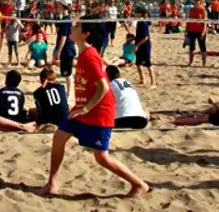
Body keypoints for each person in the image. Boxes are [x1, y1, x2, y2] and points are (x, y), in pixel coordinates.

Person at [37, 15, 150, 198]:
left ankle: (139, 185)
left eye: (77, 25)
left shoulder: (90, 55)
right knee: (58, 138)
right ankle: (52, 183)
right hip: (81, 110)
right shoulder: (83, 53)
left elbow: (104, 87)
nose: (72, 27)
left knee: (101, 158)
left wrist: (85, 109)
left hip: (98, 113)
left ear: (85, 34)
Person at [107, 65, 150, 129]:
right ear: (118, 74)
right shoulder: (127, 82)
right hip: (140, 121)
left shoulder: (109, 85)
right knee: (146, 111)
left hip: (118, 121)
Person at [54, 0, 77, 99]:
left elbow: (63, 37)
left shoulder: (66, 20)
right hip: (68, 49)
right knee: (67, 72)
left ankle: (69, 94)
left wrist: (58, 52)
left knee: (67, 74)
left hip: (66, 49)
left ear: (63, 6)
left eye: (59, 5)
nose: (57, 7)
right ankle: (69, 92)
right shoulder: (65, 19)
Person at [134, 6, 156, 88]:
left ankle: (153, 83)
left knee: (148, 65)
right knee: (138, 63)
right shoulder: (141, 21)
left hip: (144, 46)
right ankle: (142, 79)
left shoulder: (142, 22)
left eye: (136, 12)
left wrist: (137, 45)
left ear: (140, 13)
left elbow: (145, 37)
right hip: (140, 45)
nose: (135, 13)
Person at [185, 0, 207, 67]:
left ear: (201, 1)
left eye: (198, 0)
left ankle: (204, 64)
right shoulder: (191, 10)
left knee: (202, 48)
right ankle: (190, 62)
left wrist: (203, 32)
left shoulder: (203, 10)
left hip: (200, 31)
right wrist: (186, 30)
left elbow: (205, 22)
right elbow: (188, 21)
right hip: (191, 30)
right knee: (191, 48)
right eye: (195, 0)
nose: (196, 1)